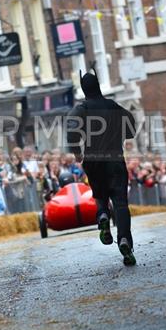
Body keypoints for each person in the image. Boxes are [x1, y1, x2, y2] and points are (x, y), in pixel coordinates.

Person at [66, 68, 138, 266]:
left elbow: (71, 129)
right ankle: (124, 241)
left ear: (83, 89)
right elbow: (131, 127)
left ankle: (103, 216)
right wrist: (120, 133)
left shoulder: (81, 109)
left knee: (100, 195)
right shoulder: (113, 106)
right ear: (98, 86)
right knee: (121, 203)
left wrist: (77, 151)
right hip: (115, 160)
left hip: (93, 161)